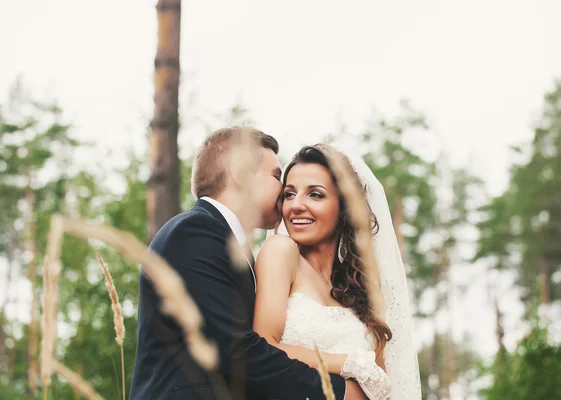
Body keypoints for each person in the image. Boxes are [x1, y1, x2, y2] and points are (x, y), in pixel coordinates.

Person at [129, 127, 366, 400]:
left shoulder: (226, 243)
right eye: (277, 176)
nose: (283, 192)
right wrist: (340, 392)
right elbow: (236, 351)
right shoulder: (193, 232)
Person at [254, 144, 422, 400]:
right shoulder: (281, 251)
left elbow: (381, 387)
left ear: (343, 207)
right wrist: (348, 363)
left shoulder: (361, 290)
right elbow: (263, 347)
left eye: (315, 195)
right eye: (289, 194)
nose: (296, 205)